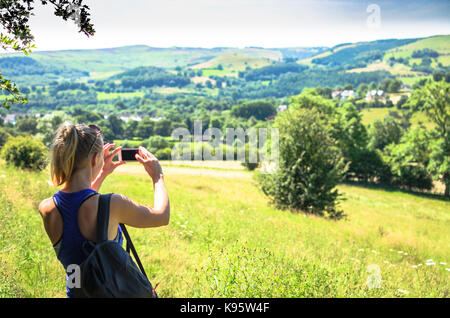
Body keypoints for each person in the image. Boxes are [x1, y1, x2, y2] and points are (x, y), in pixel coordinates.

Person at [38, 123, 170, 297]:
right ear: (94, 159)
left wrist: (101, 173)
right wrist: (157, 176)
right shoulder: (113, 204)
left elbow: (78, 204)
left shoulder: (47, 208)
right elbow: (161, 216)